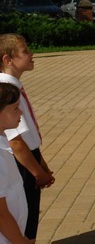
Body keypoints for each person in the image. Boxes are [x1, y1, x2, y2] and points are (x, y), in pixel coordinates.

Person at [0, 34, 55, 240]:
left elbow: (27, 137)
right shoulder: (7, 93)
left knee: (28, 217)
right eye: (25, 51)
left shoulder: (13, 87)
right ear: (8, 60)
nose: (32, 54)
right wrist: (38, 172)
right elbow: (16, 142)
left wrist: (41, 161)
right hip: (22, 164)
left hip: (29, 158)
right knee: (25, 224)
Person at [0, 82, 32, 244]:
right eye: (15, 108)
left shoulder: (3, 143)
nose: (20, 112)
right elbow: (1, 214)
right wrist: (20, 241)